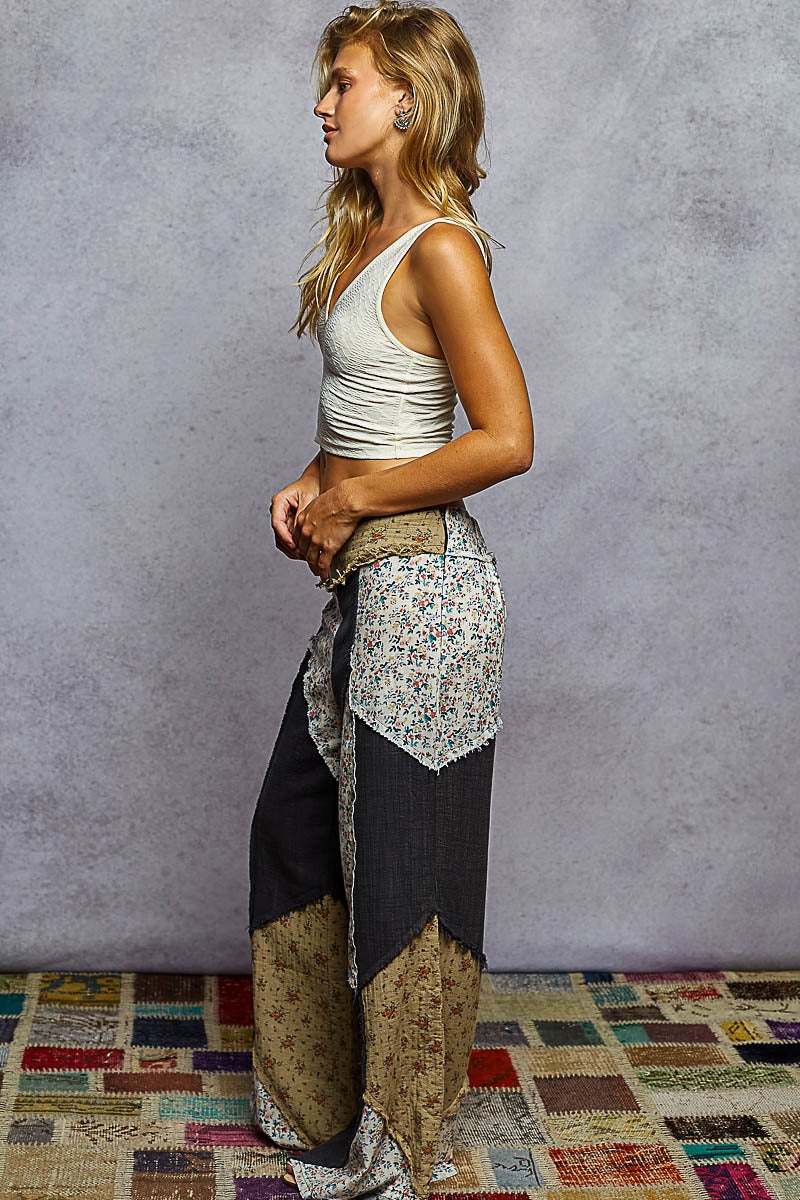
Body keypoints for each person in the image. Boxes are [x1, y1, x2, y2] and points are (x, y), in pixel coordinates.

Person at [248, 3, 534, 1198]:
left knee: (406, 877)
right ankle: (318, 1109)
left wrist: (355, 490)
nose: (323, 103)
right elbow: (381, 417)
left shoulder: (441, 249)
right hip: (372, 579)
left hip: (428, 592)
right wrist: (313, 480)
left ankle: (397, 1150)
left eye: (345, 82)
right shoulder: (369, 241)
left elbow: (506, 438)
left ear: (406, 99)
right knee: (298, 835)